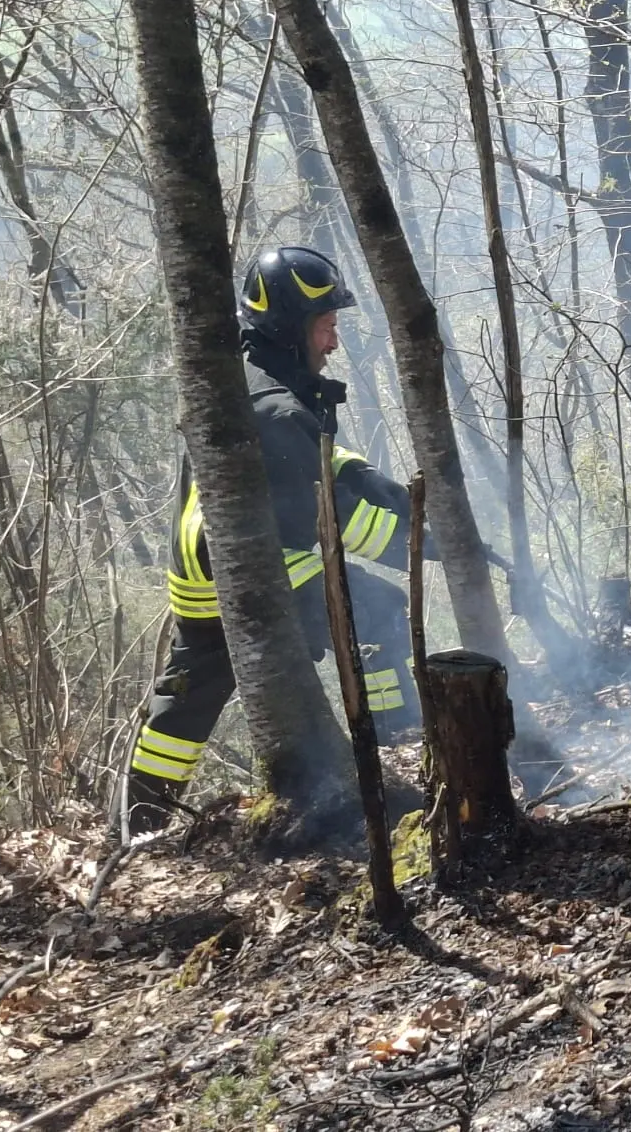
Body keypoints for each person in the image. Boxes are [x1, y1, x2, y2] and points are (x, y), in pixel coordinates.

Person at [124, 246, 425, 837]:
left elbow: (310, 458)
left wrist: (365, 476)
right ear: (292, 325)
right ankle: (399, 751)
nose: (333, 342)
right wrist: (424, 542)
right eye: (326, 325)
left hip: (199, 572)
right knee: (379, 613)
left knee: (188, 699)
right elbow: (333, 522)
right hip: (249, 570)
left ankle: (136, 825)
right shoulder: (275, 407)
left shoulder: (247, 369)